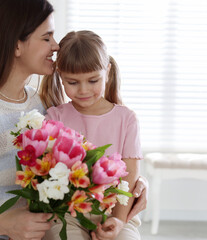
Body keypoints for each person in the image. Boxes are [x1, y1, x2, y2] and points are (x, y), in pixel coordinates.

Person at [0, 0, 147, 239]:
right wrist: (3, 223)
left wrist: (131, 185)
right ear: (17, 46)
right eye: (47, 37)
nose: (56, 46)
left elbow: (88, 152)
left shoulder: (40, 103)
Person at [40, 30, 144, 240]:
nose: (84, 90)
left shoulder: (127, 119)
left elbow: (130, 176)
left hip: (116, 212)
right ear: (60, 76)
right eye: (73, 82)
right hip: (67, 214)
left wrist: (118, 220)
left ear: (107, 71)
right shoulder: (55, 117)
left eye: (93, 80)